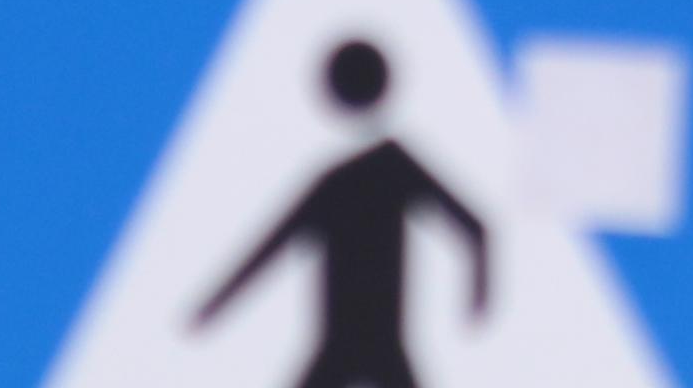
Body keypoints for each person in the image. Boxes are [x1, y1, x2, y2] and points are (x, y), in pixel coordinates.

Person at [197, 38, 488, 388]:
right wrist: (478, 292)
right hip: (348, 346)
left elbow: (476, 227)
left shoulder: (377, 172)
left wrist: (479, 292)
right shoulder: (361, 176)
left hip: (369, 345)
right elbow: (272, 247)